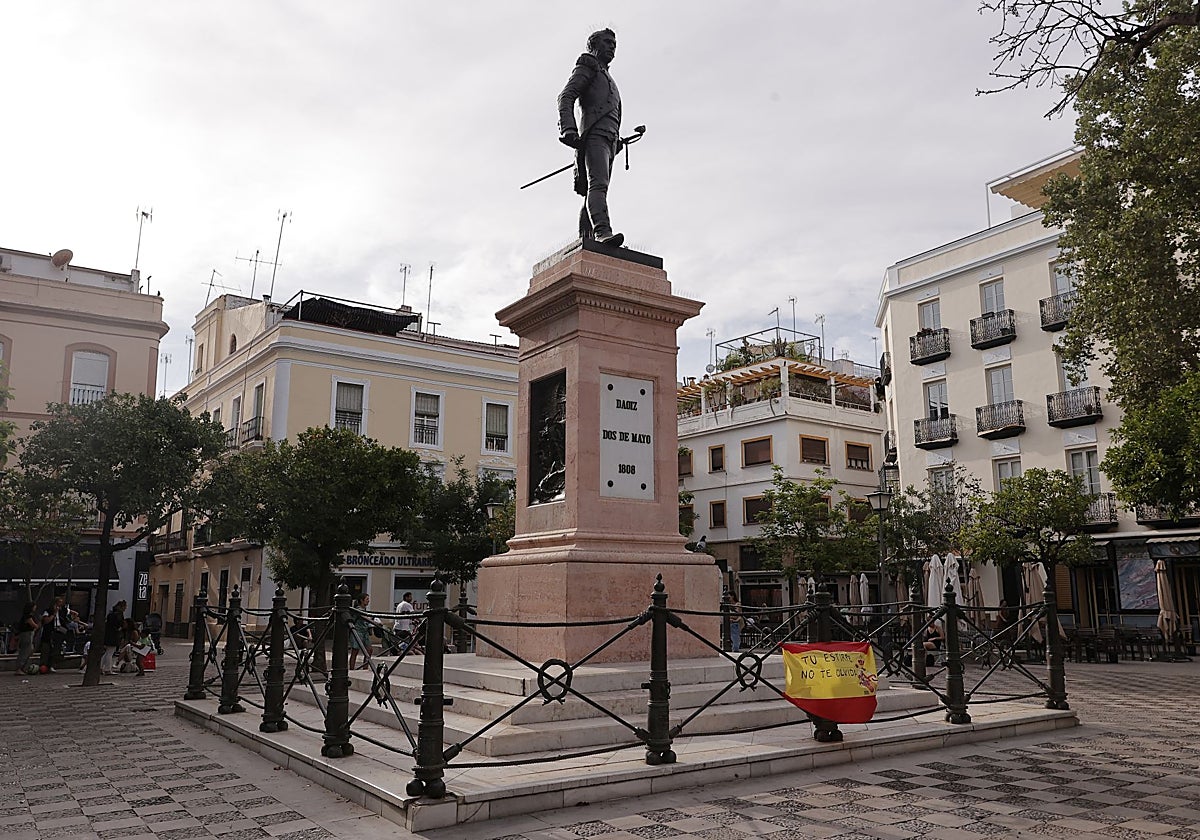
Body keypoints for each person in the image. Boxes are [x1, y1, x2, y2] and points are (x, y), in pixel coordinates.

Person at [558, 28, 625, 247]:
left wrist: (617, 140)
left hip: (609, 139)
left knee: (594, 190)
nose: (612, 46)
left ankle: (586, 239)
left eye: (614, 42)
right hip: (594, 137)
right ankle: (602, 232)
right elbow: (566, 96)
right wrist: (569, 129)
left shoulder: (608, 78)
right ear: (593, 45)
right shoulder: (588, 65)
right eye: (606, 42)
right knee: (599, 186)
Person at [349, 593, 381, 670]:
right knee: (355, 651)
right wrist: (375, 623)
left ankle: (365, 667)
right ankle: (352, 669)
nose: (368, 601)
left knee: (369, 650)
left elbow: (366, 621)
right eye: (367, 599)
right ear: (361, 600)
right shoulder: (358, 610)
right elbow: (365, 618)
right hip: (357, 631)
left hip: (364, 632)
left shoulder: (364, 610)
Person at [39, 596, 70, 672]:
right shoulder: (48, 611)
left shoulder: (62, 611)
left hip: (58, 632)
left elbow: (72, 614)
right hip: (49, 632)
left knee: (55, 650)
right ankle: (43, 665)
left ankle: (51, 665)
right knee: (46, 649)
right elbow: (46, 621)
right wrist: (54, 613)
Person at [101, 600, 127, 676]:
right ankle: (107, 669)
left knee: (107, 652)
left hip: (108, 634)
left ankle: (101, 667)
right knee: (110, 652)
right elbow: (120, 624)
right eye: (125, 607)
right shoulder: (119, 614)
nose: (125, 608)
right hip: (114, 635)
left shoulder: (111, 614)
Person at [13, 602, 38, 674]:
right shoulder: (27, 616)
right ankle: (19, 668)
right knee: (25, 651)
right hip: (26, 634)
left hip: (29, 634)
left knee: (30, 650)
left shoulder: (29, 616)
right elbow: (33, 625)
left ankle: (24, 667)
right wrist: (38, 624)